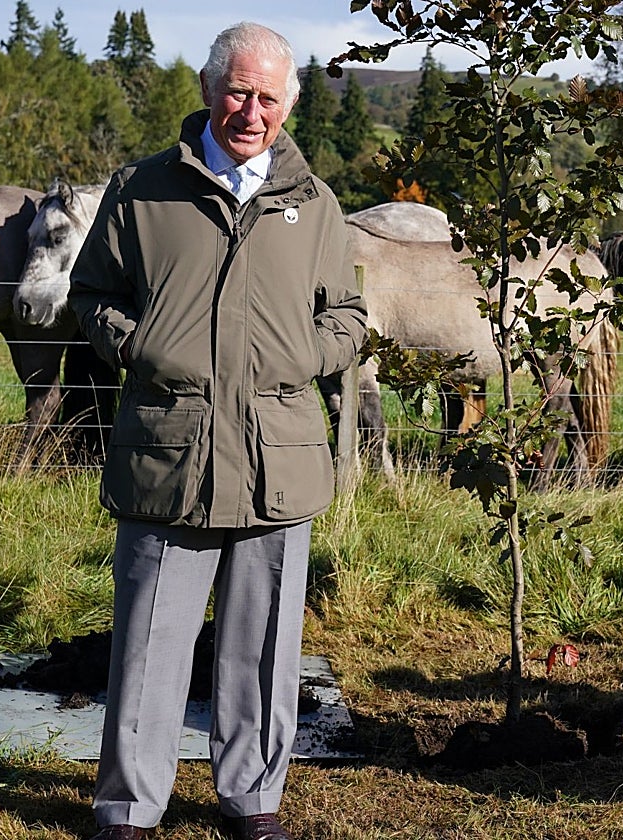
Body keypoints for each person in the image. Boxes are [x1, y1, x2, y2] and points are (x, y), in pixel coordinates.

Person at [68, 21, 367, 840]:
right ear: (206, 91)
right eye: (238, 90)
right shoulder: (141, 191)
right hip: (172, 448)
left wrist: (306, 354)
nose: (251, 110)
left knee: (265, 646)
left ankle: (253, 799)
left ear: (289, 105)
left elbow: (347, 314)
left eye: (269, 96)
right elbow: (91, 293)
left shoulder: (315, 202)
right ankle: (130, 808)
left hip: (278, 457)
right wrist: (140, 345)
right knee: (147, 645)